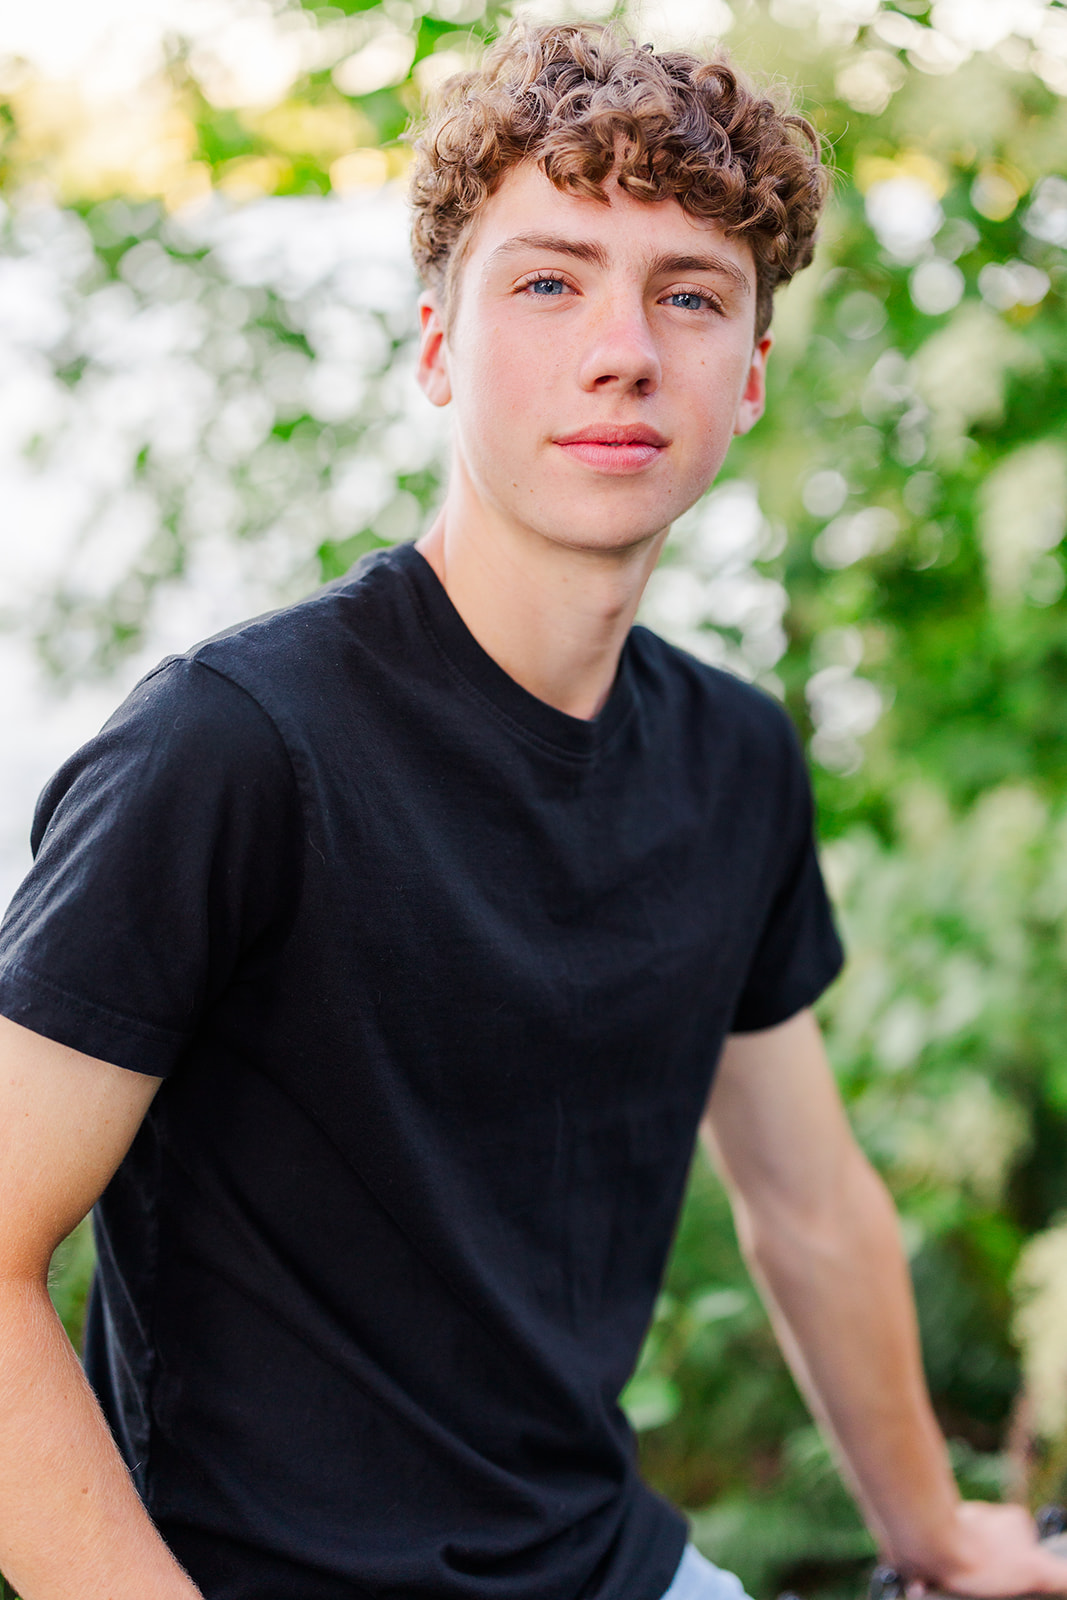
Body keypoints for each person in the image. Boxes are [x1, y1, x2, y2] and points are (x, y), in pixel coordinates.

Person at [0, 20, 1063, 1600]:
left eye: (690, 296)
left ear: (751, 374)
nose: (624, 347)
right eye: (549, 280)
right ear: (436, 343)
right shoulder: (233, 750)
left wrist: (939, 1537)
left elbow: (805, 1197)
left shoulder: (734, 759)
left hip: (611, 1568)